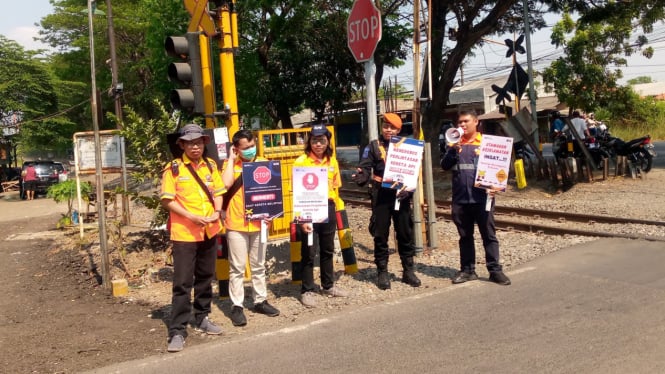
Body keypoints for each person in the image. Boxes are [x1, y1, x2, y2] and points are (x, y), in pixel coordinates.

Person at [160, 124, 226, 352]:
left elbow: (218, 193)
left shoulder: (210, 166)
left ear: (204, 143)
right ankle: (177, 330)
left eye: (198, 142)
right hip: (185, 233)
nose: (195, 146)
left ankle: (202, 316)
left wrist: (217, 212)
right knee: (182, 282)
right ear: (182, 145)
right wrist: (191, 216)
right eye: (190, 143)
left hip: (209, 229)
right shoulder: (174, 169)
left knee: (206, 277)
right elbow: (167, 200)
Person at [440, 110, 511, 286]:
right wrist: (452, 150)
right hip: (461, 199)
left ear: (476, 122)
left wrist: (497, 186)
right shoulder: (455, 144)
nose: (462, 125)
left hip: (482, 198)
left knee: (489, 235)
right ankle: (467, 270)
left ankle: (495, 271)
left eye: (465, 121)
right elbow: (445, 166)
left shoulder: (488, 143)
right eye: (459, 123)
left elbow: (500, 168)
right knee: (465, 237)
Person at [352, 113, 421, 290]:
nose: (388, 130)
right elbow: (365, 166)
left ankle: (408, 270)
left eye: (392, 127)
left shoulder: (408, 146)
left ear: (399, 129)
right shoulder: (373, 146)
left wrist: (409, 190)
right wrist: (361, 176)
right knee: (380, 234)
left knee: (405, 233)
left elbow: (413, 172)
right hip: (381, 195)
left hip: (402, 196)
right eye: (385, 126)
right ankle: (382, 272)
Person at [221, 129, 280, 325]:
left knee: (258, 265)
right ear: (236, 149)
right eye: (245, 148)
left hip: (260, 224)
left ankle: (260, 300)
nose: (250, 150)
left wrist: (271, 214)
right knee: (237, 267)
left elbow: (273, 193)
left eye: (252, 145)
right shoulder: (230, 166)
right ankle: (237, 306)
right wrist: (230, 159)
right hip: (236, 224)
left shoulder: (265, 164)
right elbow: (225, 184)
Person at [294, 124, 349, 307]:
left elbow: (335, 186)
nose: (318, 144)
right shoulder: (301, 162)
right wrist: (302, 219)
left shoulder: (331, 161)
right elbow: (296, 193)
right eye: (315, 140)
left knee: (327, 250)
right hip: (308, 210)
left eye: (322, 140)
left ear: (328, 141)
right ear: (310, 141)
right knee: (309, 251)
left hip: (328, 207)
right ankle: (307, 290)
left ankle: (328, 285)